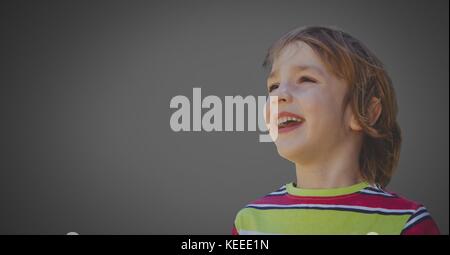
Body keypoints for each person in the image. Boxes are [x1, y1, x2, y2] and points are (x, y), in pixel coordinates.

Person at [232, 26, 440, 235]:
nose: (279, 95)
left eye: (306, 79)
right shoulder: (249, 223)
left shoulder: (407, 222)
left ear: (364, 112)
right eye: (273, 86)